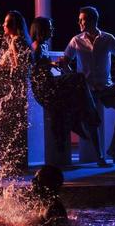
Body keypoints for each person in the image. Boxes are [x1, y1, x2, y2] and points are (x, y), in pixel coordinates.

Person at [29, 17, 109, 167]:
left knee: (78, 84)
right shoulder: (37, 46)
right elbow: (35, 69)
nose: (52, 30)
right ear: (42, 30)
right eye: (50, 27)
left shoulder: (43, 45)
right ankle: (82, 120)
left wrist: (53, 64)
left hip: (49, 83)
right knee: (79, 78)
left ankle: (80, 120)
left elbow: (43, 65)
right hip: (44, 88)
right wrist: (51, 65)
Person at [60, 6, 115, 164]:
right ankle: (100, 157)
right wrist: (75, 78)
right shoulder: (76, 40)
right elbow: (65, 62)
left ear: (93, 20)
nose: (79, 22)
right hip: (87, 90)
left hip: (106, 87)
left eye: (82, 19)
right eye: (79, 20)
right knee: (92, 122)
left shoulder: (107, 38)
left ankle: (112, 148)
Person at [0, 10, 32, 174]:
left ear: (14, 26)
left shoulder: (16, 42)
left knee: (9, 127)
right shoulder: (19, 41)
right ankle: (12, 163)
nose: (3, 25)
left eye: (6, 22)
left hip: (12, 89)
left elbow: (18, 67)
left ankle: (11, 164)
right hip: (15, 89)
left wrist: (4, 75)